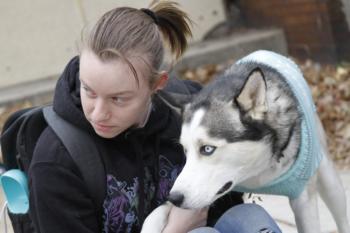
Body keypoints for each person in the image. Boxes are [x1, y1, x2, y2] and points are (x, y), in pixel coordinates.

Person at [28, 1, 282, 233]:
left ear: (157, 84)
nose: (97, 112)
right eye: (88, 91)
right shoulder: (57, 160)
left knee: (249, 219)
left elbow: (225, 198)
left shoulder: (191, 117)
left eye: (118, 98)